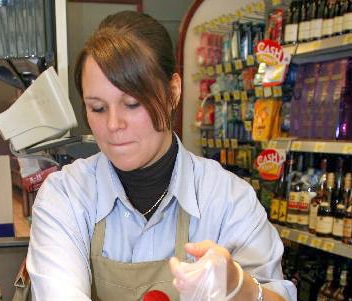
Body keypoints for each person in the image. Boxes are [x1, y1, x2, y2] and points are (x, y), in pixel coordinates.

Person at [27, 11, 296, 301]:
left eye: (132, 103)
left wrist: (240, 288)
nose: (114, 124)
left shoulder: (228, 199)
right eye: (97, 108)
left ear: (173, 92)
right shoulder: (65, 196)